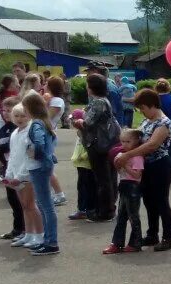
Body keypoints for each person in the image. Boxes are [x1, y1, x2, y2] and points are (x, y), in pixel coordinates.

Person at [117, 89, 171, 251]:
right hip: (145, 166)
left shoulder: (164, 122)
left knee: (162, 202)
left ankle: (167, 238)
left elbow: (152, 145)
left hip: (160, 165)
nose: (141, 111)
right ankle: (152, 234)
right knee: (149, 202)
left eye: (142, 108)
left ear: (151, 105)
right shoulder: (146, 121)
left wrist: (127, 155)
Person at [76, 74, 120, 223]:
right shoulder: (103, 100)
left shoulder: (98, 102)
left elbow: (88, 123)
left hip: (99, 144)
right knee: (108, 177)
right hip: (106, 142)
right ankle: (109, 208)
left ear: (91, 87)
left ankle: (105, 211)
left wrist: (78, 120)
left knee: (103, 179)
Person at [22, 92, 60, 256]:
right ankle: (47, 239)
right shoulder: (44, 122)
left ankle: (51, 242)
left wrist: (35, 153)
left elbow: (39, 142)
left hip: (39, 168)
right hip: (41, 167)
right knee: (44, 204)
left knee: (46, 205)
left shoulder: (36, 124)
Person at [5, 104, 43, 250]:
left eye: (23, 115)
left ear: (29, 116)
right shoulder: (15, 132)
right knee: (24, 206)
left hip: (27, 175)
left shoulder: (29, 132)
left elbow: (29, 158)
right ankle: (28, 233)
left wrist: (20, 176)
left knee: (31, 205)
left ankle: (39, 235)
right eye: (17, 116)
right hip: (16, 176)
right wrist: (9, 174)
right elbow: (13, 156)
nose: (20, 119)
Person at [103, 129, 145, 254]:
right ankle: (117, 243)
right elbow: (119, 171)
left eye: (128, 141)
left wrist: (126, 165)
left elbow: (137, 175)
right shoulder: (122, 154)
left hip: (133, 187)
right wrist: (118, 163)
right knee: (121, 216)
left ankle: (135, 242)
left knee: (133, 216)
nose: (124, 144)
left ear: (136, 141)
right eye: (122, 141)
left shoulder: (136, 156)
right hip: (123, 185)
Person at [0, 97, 24, 240]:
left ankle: (24, 229)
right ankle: (17, 228)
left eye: (11, 111)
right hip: (7, 167)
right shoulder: (5, 128)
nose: (6, 113)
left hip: (19, 169)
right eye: (5, 110)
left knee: (20, 201)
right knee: (12, 199)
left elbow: (9, 146)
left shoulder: (18, 129)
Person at [44, 77, 70, 205]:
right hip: (45, 134)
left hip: (47, 135)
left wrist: (45, 103)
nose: (44, 86)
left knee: (47, 167)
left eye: (46, 84)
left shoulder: (57, 101)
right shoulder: (51, 99)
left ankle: (59, 194)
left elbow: (47, 118)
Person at [66, 112, 96, 222]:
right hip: (80, 164)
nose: (72, 122)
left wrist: (82, 157)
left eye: (73, 120)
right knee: (81, 187)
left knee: (87, 188)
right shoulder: (79, 133)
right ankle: (82, 209)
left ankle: (87, 209)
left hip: (86, 164)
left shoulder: (87, 133)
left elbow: (89, 148)